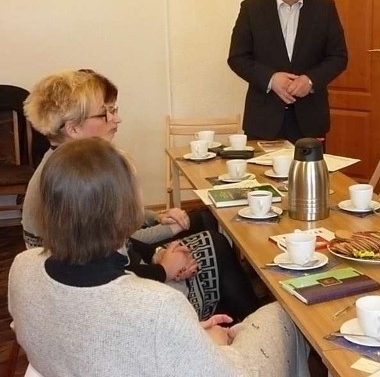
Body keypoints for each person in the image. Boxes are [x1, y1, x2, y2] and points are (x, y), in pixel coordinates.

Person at [9, 138, 310, 376]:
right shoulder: (154, 304)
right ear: (124, 210)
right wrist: (214, 346)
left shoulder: (23, 267)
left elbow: (92, 335)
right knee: (285, 313)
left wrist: (186, 338)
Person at [22, 69, 259, 321]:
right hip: (104, 302)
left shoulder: (64, 165)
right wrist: (163, 268)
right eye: (106, 113)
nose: (116, 119)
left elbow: (114, 244)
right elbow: (109, 270)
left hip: (106, 274)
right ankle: (243, 323)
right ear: (73, 129)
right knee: (214, 244)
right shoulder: (81, 179)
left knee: (204, 220)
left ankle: (234, 308)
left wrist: (155, 225)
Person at [228, 0, 348, 143]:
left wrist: (310, 80)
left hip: (310, 118)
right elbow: (237, 57)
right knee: (260, 174)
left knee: (308, 174)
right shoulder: (252, 9)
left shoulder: (324, 8)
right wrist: (271, 79)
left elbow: (338, 57)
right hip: (264, 118)